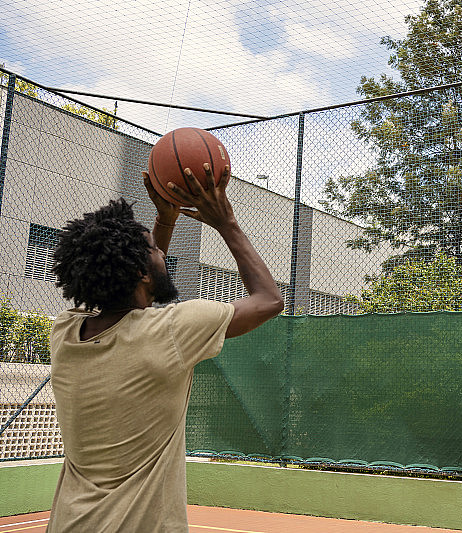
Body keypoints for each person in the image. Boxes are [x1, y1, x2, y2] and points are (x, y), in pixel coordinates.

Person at [46, 163, 284, 532]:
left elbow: (138, 306)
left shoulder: (64, 332)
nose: (162, 255)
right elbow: (269, 300)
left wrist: (165, 223)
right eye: (156, 250)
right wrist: (226, 223)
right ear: (141, 273)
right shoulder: (173, 330)